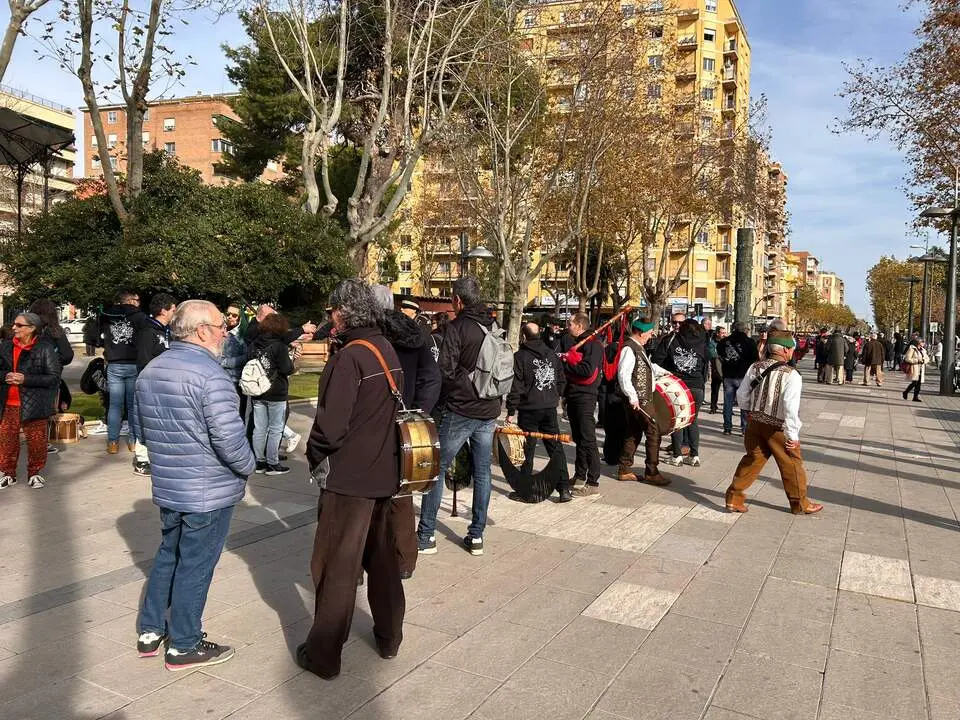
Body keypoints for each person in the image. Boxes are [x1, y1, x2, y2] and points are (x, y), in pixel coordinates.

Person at [135, 300, 255, 670]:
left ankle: (151, 630)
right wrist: (249, 466)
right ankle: (184, 644)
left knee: (169, 553)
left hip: (172, 484)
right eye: (221, 326)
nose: (225, 333)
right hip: (207, 489)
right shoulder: (211, 375)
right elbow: (229, 438)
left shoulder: (151, 370)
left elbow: (142, 430)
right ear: (202, 330)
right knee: (196, 564)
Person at [299, 279, 405, 680]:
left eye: (330, 310)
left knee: (337, 567)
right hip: (385, 472)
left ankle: (323, 655)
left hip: (349, 479)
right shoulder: (384, 347)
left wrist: (313, 455)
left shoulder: (350, 357)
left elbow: (330, 426)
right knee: (383, 561)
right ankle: (389, 637)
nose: (328, 316)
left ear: (343, 313)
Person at [417, 276, 502, 556]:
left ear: (457, 300)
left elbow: (445, 370)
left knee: (437, 469)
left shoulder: (457, 328)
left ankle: (427, 534)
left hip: (461, 409)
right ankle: (476, 535)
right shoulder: (493, 324)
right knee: (482, 472)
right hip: (490, 408)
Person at [371, 285, 441, 579]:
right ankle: (404, 558)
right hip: (406, 420)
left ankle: (372, 555)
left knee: (370, 495)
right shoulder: (416, 335)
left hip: (375, 421)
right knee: (401, 493)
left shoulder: (372, 337)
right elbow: (432, 376)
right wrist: (418, 411)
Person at [724, 330, 823, 515]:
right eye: (792, 348)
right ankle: (800, 503)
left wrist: (750, 411)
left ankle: (733, 498)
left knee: (752, 460)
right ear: (785, 350)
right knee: (792, 463)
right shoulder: (791, 374)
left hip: (754, 423)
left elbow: (742, 394)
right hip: (777, 427)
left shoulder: (755, 367)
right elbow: (790, 407)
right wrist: (793, 435)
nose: (793, 351)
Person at [505, 322, 571, 502]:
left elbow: (516, 385)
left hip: (530, 407)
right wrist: (555, 395)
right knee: (555, 446)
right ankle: (564, 488)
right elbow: (561, 379)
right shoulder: (551, 354)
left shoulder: (520, 356)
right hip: (549, 406)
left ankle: (525, 489)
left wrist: (511, 409)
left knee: (528, 449)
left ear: (523, 336)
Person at [0, 312, 62, 489]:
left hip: (34, 403)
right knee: (7, 440)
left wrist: (25, 379)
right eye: (14, 324)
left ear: (32, 328)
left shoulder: (45, 348)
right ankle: (7, 473)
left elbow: (53, 377)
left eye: (19, 325)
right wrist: (5, 375)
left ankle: (35, 472)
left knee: (37, 440)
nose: (14, 328)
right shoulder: (5, 347)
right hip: (8, 403)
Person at [616, 319, 670, 486]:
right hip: (640, 399)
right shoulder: (629, 348)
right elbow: (624, 375)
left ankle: (624, 469)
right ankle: (651, 472)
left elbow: (649, 366)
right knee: (654, 431)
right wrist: (632, 397)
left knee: (634, 431)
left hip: (642, 398)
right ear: (640, 332)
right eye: (649, 332)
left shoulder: (638, 348)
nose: (651, 335)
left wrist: (667, 373)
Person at [132, 293, 177, 475]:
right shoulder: (147, 332)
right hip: (150, 385)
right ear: (163, 310)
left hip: (165, 384)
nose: (176, 313)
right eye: (173, 310)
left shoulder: (167, 332)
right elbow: (143, 361)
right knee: (145, 421)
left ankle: (159, 455)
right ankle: (142, 459)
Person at [559, 313, 604, 495]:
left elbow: (586, 370)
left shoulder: (593, 344)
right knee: (579, 438)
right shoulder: (578, 342)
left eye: (570, 323)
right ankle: (579, 475)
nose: (567, 326)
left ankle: (593, 482)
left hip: (586, 396)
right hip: (574, 394)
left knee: (588, 439)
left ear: (579, 325)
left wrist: (565, 364)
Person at [247, 312, 296, 475]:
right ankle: (272, 463)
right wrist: (292, 360)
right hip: (276, 391)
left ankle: (259, 461)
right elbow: (286, 369)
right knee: (275, 428)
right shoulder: (280, 346)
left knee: (259, 428)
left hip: (257, 391)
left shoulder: (254, 344)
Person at [654, 318, 707, 466]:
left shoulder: (672, 340)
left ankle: (677, 455)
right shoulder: (702, 342)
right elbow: (705, 362)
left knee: (678, 420)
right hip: (697, 385)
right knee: (693, 420)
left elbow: (657, 360)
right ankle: (695, 455)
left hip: (678, 386)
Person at [100, 290, 146, 454]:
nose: (138, 302)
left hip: (114, 362)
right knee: (133, 405)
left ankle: (113, 442)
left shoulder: (106, 315)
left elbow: (96, 335)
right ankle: (133, 441)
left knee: (115, 405)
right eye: (137, 299)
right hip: (133, 362)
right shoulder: (140, 317)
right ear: (131, 301)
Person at [716, 321, 759, 435]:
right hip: (744, 376)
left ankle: (727, 428)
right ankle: (744, 428)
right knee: (744, 402)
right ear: (745, 329)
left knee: (728, 403)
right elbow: (755, 359)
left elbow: (719, 354)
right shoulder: (750, 342)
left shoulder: (724, 342)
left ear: (733, 329)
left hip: (728, 375)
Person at [902, 338, 929, 402]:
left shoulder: (923, 350)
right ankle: (906, 392)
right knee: (915, 382)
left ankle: (915, 397)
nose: (924, 343)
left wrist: (924, 361)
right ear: (918, 343)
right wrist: (916, 360)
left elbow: (927, 358)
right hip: (915, 368)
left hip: (921, 368)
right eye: (922, 342)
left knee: (919, 384)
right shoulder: (912, 349)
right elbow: (907, 358)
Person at [708, 325, 725, 413]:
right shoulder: (712, 343)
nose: (724, 335)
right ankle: (713, 406)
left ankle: (727, 408)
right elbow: (712, 354)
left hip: (726, 369)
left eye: (724, 333)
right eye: (722, 333)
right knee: (715, 389)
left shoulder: (726, 342)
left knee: (727, 390)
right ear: (717, 333)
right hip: (716, 368)